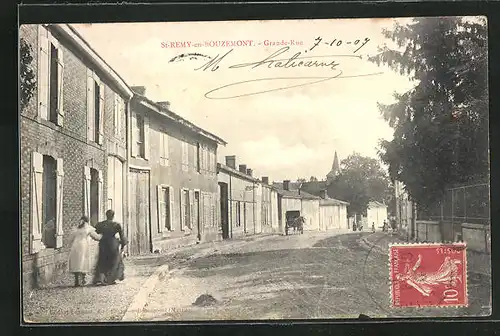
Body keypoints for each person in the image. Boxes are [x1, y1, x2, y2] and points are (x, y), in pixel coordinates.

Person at [93, 209, 128, 286]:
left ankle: (102, 278)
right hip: (112, 244)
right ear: (113, 216)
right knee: (113, 261)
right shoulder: (116, 225)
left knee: (103, 260)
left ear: (106, 215)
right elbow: (122, 236)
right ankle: (110, 279)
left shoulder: (101, 224)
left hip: (103, 243)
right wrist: (123, 245)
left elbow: (95, 232)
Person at [68, 215, 102, 287]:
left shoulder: (75, 228)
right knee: (84, 261)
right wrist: (102, 235)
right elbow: (96, 237)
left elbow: (70, 239)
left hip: (75, 245)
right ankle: (83, 279)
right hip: (84, 245)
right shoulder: (88, 228)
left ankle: (76, 280)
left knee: (76, 262)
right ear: (87, 221)